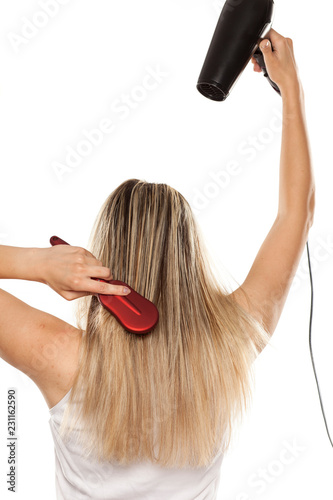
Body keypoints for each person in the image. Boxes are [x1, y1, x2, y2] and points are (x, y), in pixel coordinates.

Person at [0, 28, 315, 499]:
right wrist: (291, 89)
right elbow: (298, 212)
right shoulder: (230, 346)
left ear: (110, 254)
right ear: (186, 259)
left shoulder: (60, 357)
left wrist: (38, 264)